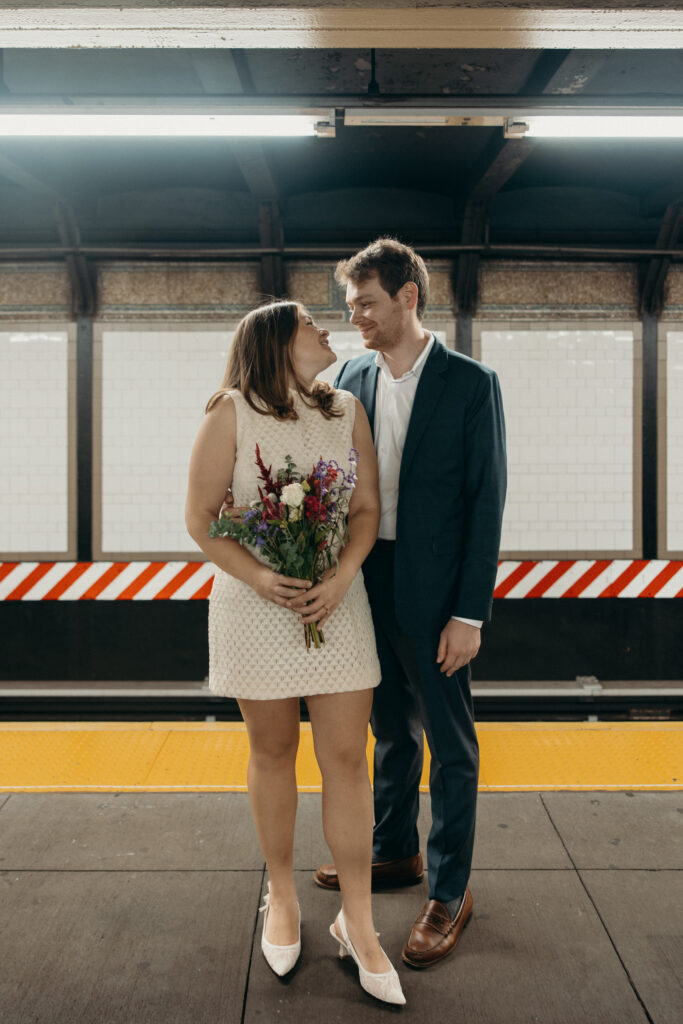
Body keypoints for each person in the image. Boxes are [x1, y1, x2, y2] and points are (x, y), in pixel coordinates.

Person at [185, 300, 405, 1005]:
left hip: (337, 602)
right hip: (256, 603)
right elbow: (201, 519)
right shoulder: (229, 412)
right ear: (276, 339)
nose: (327, 330)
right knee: (272, 752)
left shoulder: (344, 409)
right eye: (312, 321)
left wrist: (341, 575)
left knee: (347, 758)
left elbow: (365, 507)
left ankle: (358, 921)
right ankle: (280, 896)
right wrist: (263, 577)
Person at [312, 238, 507, 969]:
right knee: (388, 728)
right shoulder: (351, 375)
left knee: (450, 747)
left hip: (436, 592)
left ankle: (449, 891)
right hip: (367, 577)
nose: (354, 316)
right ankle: (394, 851)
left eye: (365, 302)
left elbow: (485, 500)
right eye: (348, 304)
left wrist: (470, 612)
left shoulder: (469, 382)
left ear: (408, 297)